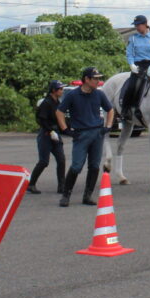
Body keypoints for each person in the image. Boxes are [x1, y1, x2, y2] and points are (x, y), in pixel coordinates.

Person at [58, 67, 114, 207]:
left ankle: (87, 195)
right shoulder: (73, 95)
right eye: (95, 79)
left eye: (99, 78)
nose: (98, 81)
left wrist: (107, 126)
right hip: (81, 133)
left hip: (97, 133)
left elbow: (110, 109)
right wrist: (66, 129)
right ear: (86, 79)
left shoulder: (99, 94)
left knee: (94, 166)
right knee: (77, 165)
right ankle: (66, 195)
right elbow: (59, 112)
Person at [27, 80, 69, 195]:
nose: (62, 91)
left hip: (56, 133)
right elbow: (41, 119)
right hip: (46, 135)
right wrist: (50, 131)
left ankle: (62, 186)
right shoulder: (46, 103)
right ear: (54, 90)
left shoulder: (57, 102)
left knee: (61, 159)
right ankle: (31, 184)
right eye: (60, 89)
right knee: (43, 161)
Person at [122, 14, 150, 119]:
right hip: (138, 65)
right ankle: (127, 108)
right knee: (133, 85)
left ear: (145, 24)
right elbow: (129, 53)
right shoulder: (133, 38)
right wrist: (131, 64)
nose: (136, 27)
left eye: (138, 25)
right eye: (135, 25)